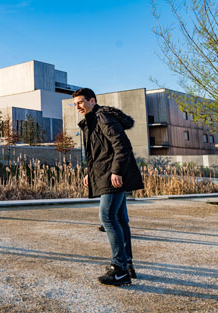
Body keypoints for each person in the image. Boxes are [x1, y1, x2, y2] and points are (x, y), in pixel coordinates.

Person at [74, 87, 144, 286]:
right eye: (76, 103)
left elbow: (121, 146)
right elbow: (99, 152)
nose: (77, 106)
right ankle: (127, 265)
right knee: (120, 218)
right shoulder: (93, 120)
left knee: (107, 217)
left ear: (92, 101)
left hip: (112, 176)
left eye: (81, 102)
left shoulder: (102, 117)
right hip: (105, 173)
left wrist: (116, 171)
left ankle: (119, 269)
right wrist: (90, 172)